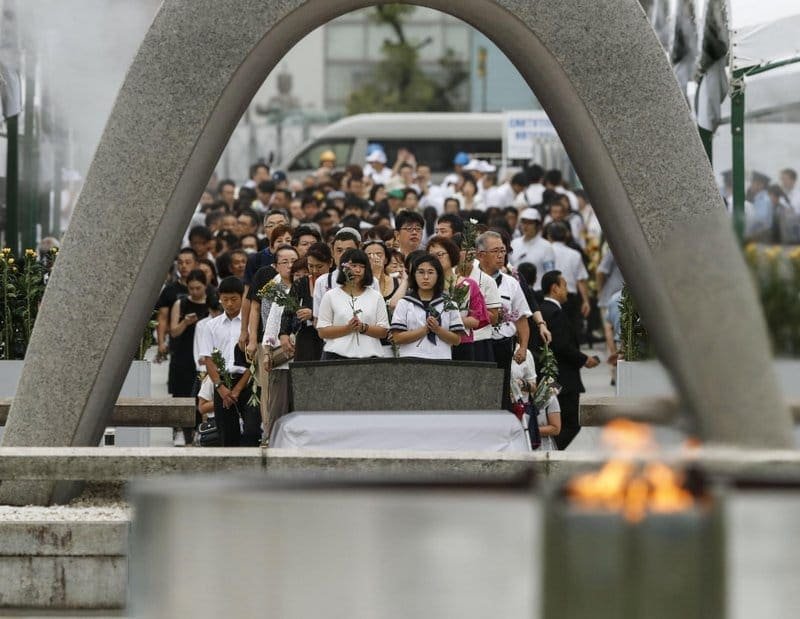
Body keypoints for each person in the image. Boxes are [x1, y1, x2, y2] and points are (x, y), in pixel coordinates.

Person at [538, 270, 600, 449]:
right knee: (570, 422)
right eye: (564, 286)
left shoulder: (542, 311)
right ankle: (548, 451)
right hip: (563, 380)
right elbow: (562, 346)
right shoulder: (555, 313)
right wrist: (584, 359)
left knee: (551, 418)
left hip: (550, 378)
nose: (567, 290)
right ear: (555, 288)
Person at [198, 276, 261, 447]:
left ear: (242, 298)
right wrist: (220, 387)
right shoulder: (212, 326)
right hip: (222, 382)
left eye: (234, 299)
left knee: (252, 429)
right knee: (226, 433)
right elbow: (208, 358)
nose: (230, 304)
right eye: (225, 299)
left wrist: (238, 389)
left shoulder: (250, 325)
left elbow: (254, 360)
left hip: (248, 381)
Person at [316, 249, 389, 359]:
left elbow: (383, 331)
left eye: (362, 266)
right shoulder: (330, 296)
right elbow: (322, 331)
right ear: (344, 268)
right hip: (336, 356)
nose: (358, 270)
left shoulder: (376, 296)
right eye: (354, 266)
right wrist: (348, 328)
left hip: (370, 357)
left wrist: (363, 327)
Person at [426, 235, 489, 361]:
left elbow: (475, 321)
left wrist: (450, 319)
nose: (436, 259)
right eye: (431, 256)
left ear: (451, 255)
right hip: (433, 344)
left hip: (463, 343)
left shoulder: (469, 285)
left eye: (440, 254)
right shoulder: (426, 286)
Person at [168, 269, 212, 445]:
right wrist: (185, 322)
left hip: (204, 352)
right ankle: (181, 430)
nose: (194, 292)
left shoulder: (211, 303)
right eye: (191, 288)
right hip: (184, 352)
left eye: (198, 288)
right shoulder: (181, 303)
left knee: (200, 395)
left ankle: (200, 430)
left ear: (205, 286)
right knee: (182, 393)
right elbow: (173, 331)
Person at [390, 254, 465, 359]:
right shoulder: (405, 303)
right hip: (410, 358)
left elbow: (456, 340)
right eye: (421, 272)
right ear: (414, 275)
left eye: (430, 272)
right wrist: (425, 330)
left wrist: (437, 329)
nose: (425, 277)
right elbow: (397, 337)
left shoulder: (449, 304)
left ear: (438, 275)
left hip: (441, 358)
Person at [278, 242, 333, 363]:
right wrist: (283, 334)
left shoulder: (336, 283)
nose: (314, 271)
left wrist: (313, 314)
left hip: (332, 337)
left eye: (319, 267)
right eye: (310, 266)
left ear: (330, 263)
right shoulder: (301, 283)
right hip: (306, 339)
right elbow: (288, 311)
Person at [510, 348, 561, 450]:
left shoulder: (548, 395)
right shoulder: (513, 396)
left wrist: (528, 430)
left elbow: (556, 428)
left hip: (542, 448)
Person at [155, 248, 197, 362]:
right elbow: (162, 317)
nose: (183, 266)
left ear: (196, 264)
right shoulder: (169, 290)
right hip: (177, 342)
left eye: (188, 262)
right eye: (180, 262)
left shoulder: (205, 289)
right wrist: (161, 343)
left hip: (199, 341)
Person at [510, 208, 555, 290]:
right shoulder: (514, 243)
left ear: (537, 226)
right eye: (524, 222)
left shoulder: (546, 246)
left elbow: (550, 273)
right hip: (517, 290)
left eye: (530, 223)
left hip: (538, 291)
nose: (525, 226)